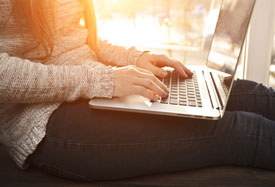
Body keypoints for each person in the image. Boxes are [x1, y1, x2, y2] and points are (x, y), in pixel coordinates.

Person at [0, 0, 275, 181]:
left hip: (92, 85)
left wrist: (134, 59)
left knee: (255, 96)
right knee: (244, 130)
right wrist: (103, 80)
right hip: (44, 117)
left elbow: (74, 38)